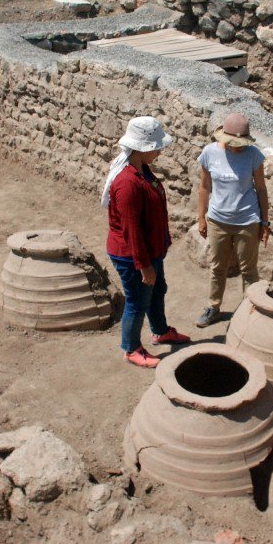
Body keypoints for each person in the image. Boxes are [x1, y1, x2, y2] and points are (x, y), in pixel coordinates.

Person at [102, 116, 190, 368]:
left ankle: (161, 331)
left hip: (150, 251)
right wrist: (143, 265)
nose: (160, 151)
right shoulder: (128, 183)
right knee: (136, 302)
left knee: (157, 291)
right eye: (157, 146)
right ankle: (131, 349)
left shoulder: (142, 170)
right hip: (132, 255)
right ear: (142, 148)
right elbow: (132, 230)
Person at [195, 112, 270, 327]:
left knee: (248, 269)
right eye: (233, 143)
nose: (238, 147)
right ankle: (213, 307)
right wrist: (201, 217)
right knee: (218, 267)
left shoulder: (254, 155)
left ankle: (251, 311)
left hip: (248, 220)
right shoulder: (209, 153)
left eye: (241, 143)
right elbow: (204, 187)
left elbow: (261, 189)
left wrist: (265, 223)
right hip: (218, 220)